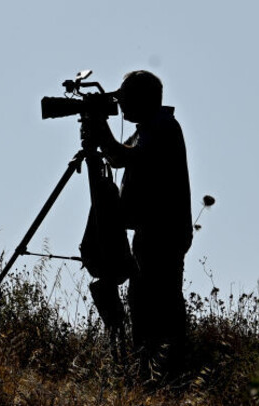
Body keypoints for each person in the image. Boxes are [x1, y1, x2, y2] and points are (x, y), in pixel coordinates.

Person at [89, 70, 193, 378]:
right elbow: (121, 157)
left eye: (125, 96)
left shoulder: (164, 127)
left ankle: (166, 373)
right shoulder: (150, 126)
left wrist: (100, 129)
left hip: (164, 233)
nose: (120, 103)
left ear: (143, 99)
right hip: (153, 231)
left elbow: (127, 157)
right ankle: (148, 371)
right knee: (144, 302)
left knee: (158, 304)